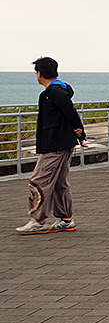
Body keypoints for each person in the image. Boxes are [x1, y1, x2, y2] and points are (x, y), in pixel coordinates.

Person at [16, 57, 86, 235]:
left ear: (39, 74)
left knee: (39, 180)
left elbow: (71, 113)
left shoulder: (54, 92)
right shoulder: (58, 90)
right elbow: (70, 114)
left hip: (55, 145)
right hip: (62, 142)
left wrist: (81, 133)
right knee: (59, 183)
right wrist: (80, 134)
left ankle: (38, 220)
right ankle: (66, 220)